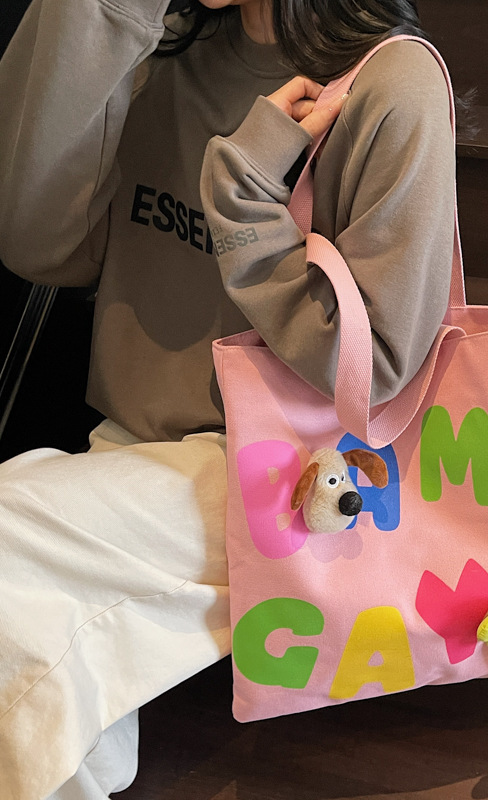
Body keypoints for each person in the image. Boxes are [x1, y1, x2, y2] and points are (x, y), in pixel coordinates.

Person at [0, 0, 456, 797]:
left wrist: (245, 204)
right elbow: (42, 244)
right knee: (34, 655)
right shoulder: (162, 46)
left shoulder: (391, 82)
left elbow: (379, 366)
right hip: (131, 451)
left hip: (291, 478)